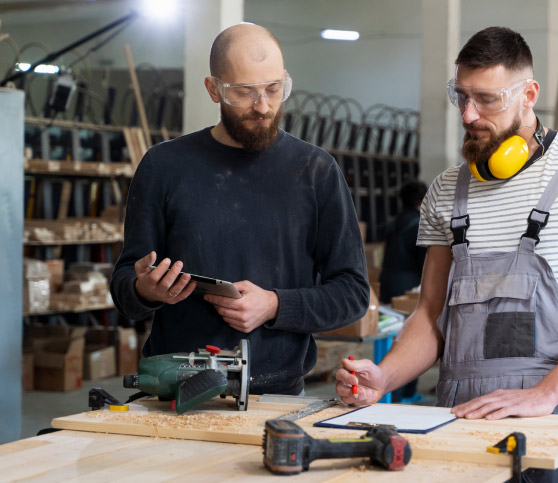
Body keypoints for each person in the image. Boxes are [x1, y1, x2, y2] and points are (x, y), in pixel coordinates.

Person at [336, 26, 558, 481]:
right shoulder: (446, 190)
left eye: (486, 99)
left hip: (554, 413)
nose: (468, 114)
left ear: (528, 94)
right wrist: (384, 377)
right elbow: (430, 313)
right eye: (460, 96)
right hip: (461, 414)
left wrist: (545, 394)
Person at [110, 23, 369, 397]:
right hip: (175, 388)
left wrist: (275, 305)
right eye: (244, 93)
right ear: (213, 89)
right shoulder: (163, 167)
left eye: (274, 89)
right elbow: (124, 289)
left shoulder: (316, 171)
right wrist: (146, 290)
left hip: (277, 394)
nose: (263, 106)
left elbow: (353, 294)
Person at [379, 179, 427, 403]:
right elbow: (422, 260)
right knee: (412, 336)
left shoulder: (394, 222)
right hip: (408, 283)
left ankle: (391, 386)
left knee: (391, 332)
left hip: (388, 280)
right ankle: (406, 393)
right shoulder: (419, 223)